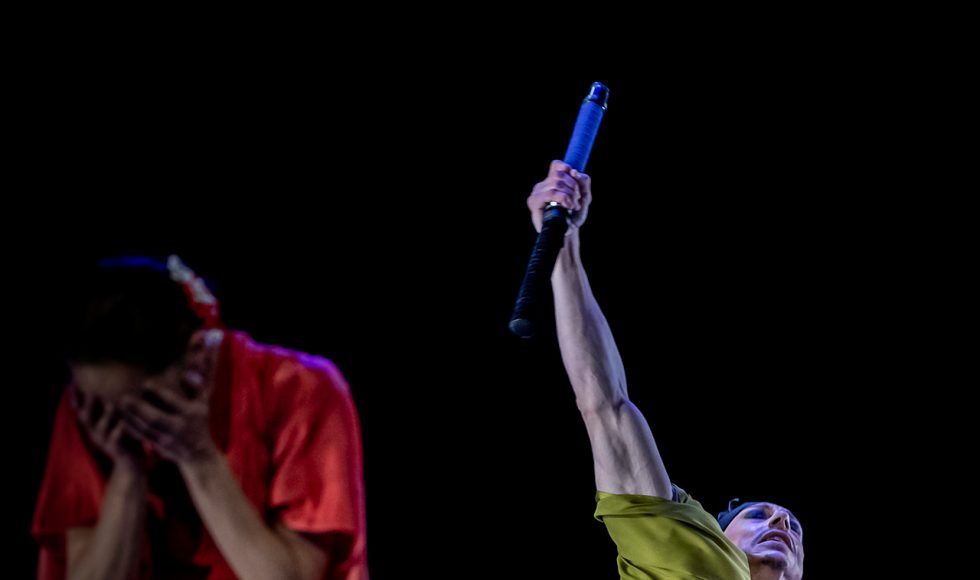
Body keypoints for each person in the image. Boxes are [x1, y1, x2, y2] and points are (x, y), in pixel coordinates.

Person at [526, 161, 804, 580]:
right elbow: (607, 407)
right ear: (715, 535)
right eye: (757, 515)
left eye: (794, 528)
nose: (781, 523)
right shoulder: (699, 555)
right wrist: (563, 247)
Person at [32, 255, 367, 580]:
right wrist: (128, 473)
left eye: (140, 406)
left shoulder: (299, 389)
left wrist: (199, 457)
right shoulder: (92, 413)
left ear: (197, 357)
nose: (122, 424)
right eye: (104, 409)